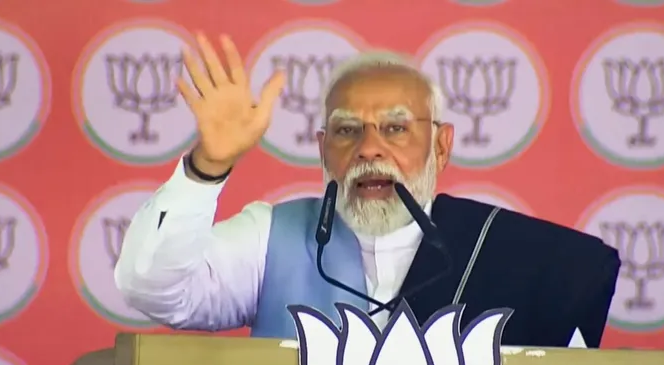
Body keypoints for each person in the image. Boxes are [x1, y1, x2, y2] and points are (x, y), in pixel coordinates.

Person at [114, 33, 621, 347]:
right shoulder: (274, 235)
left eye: (396, 129)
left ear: (441, 147)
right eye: (346, 130)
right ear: (323, 149)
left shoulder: (509, 253)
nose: (369, 149)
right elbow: (152, 288)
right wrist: (209, 166)